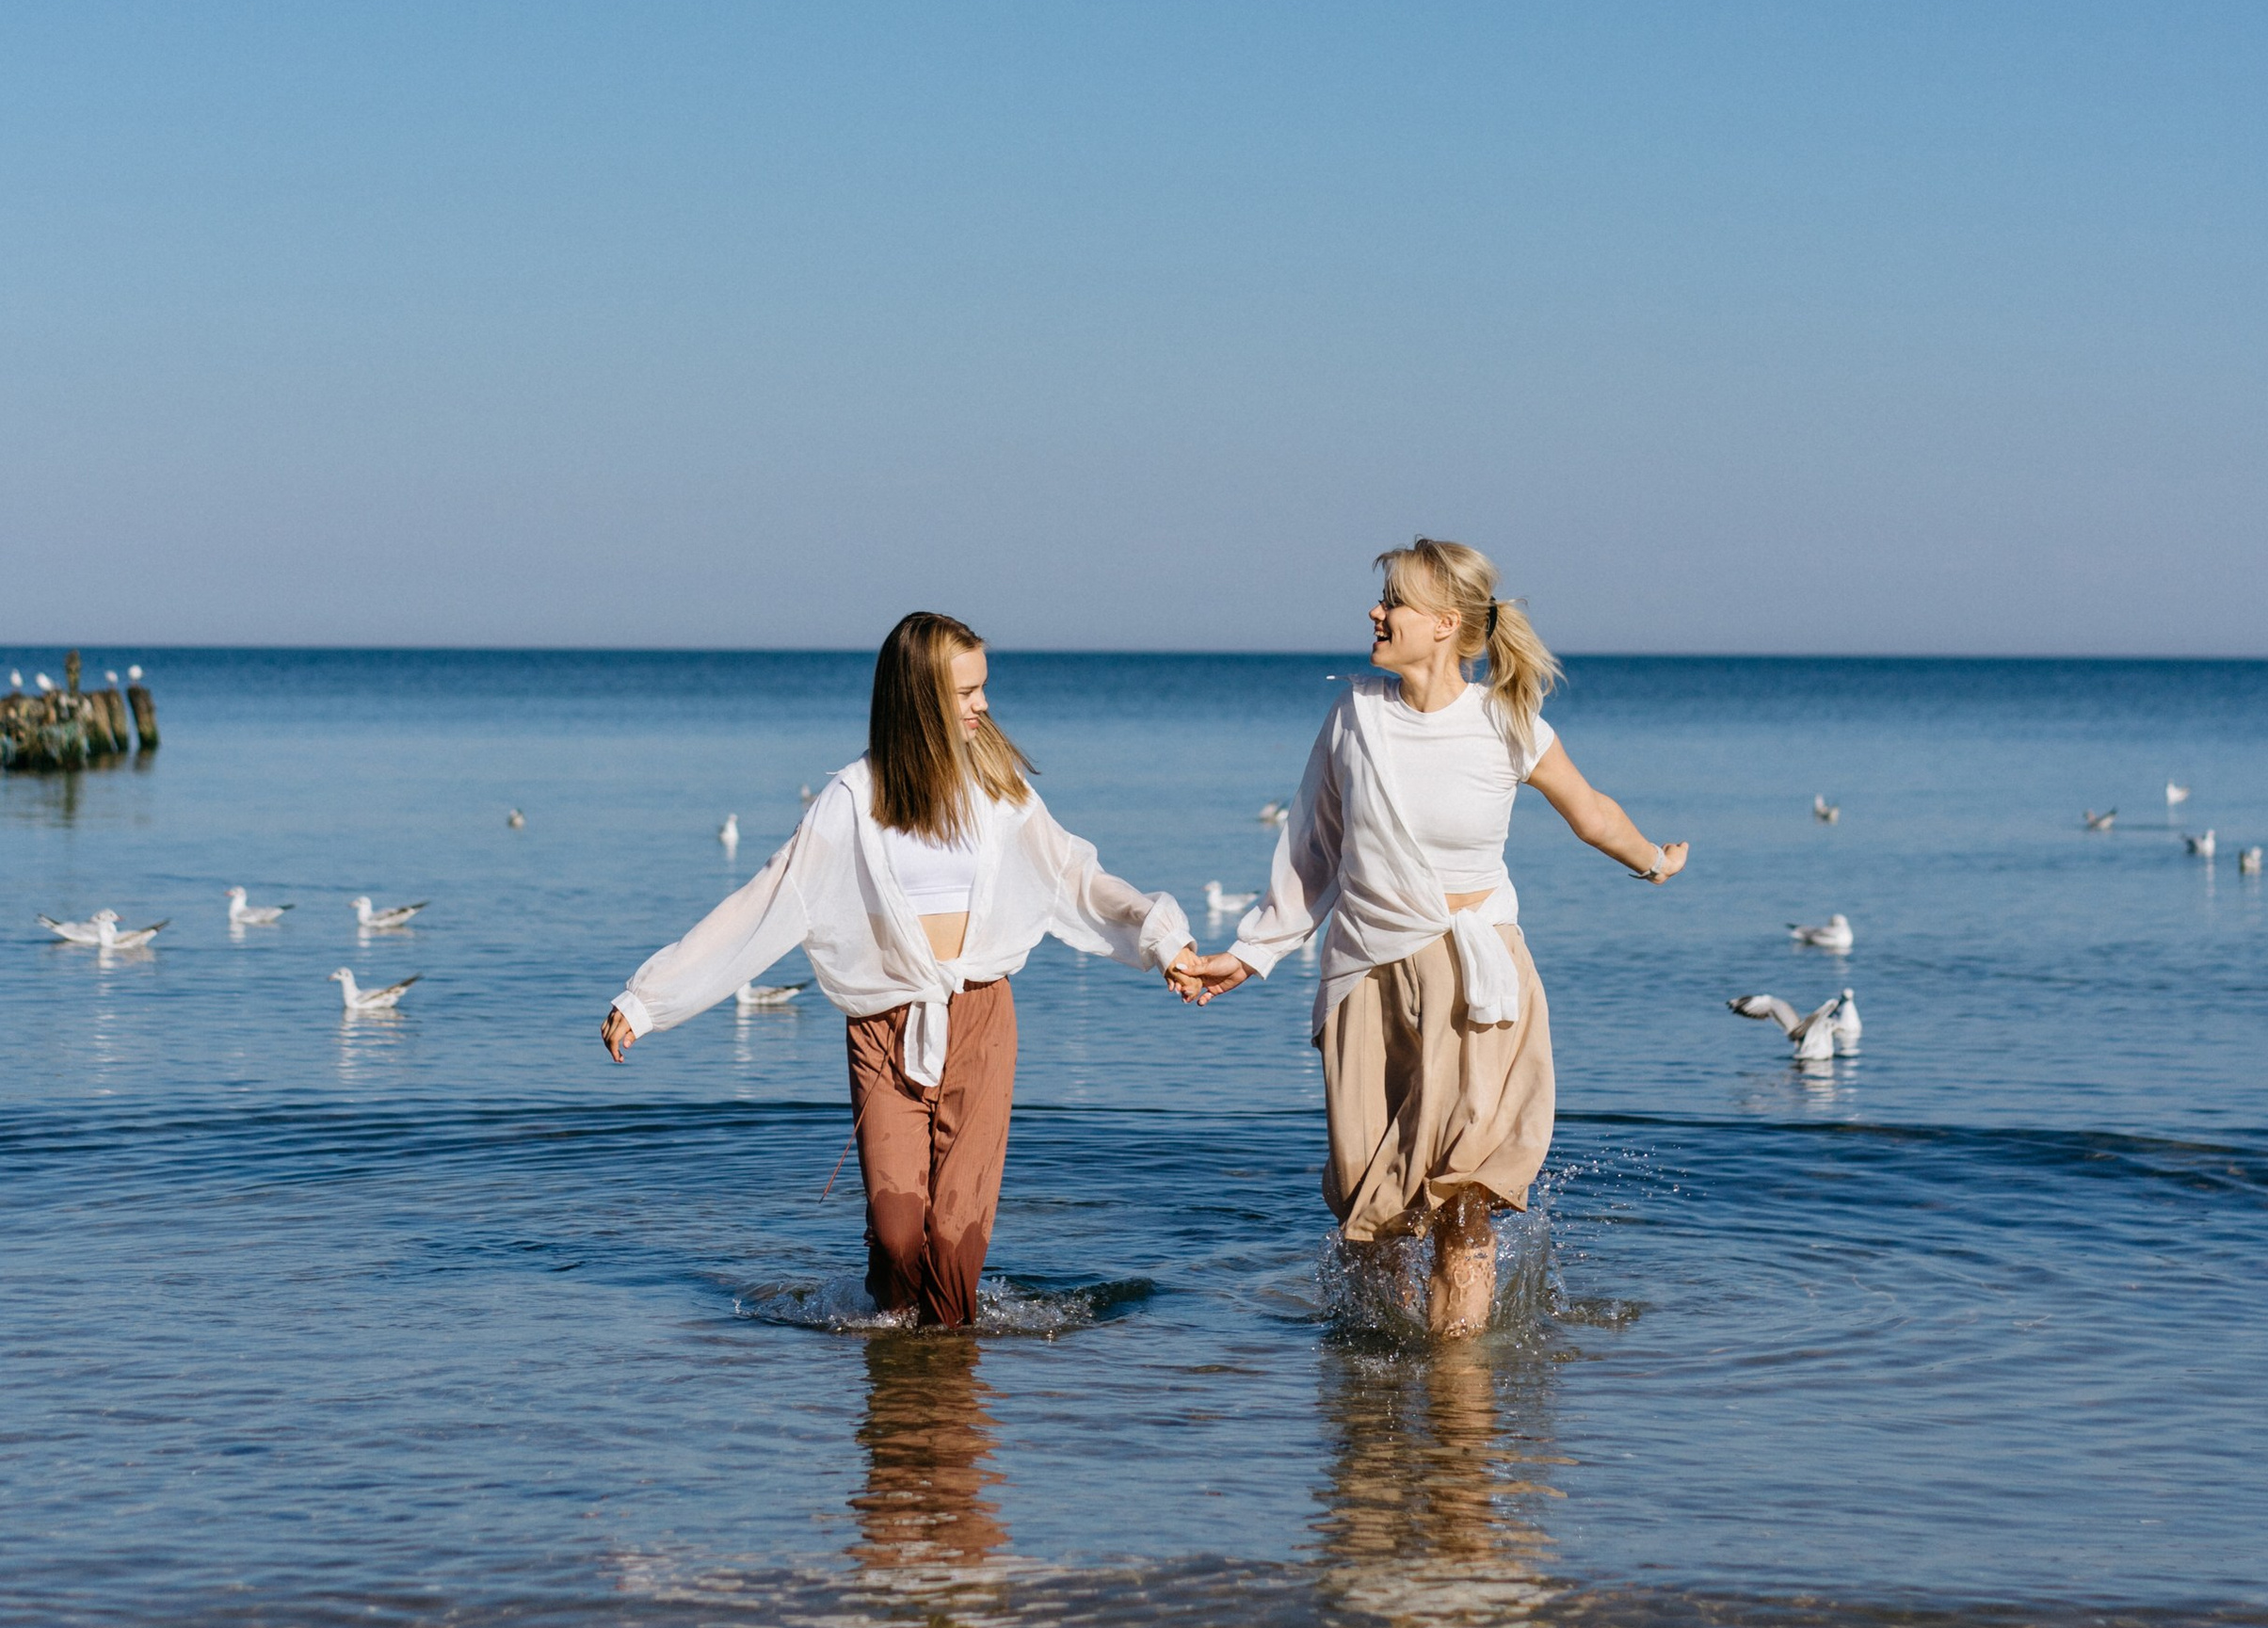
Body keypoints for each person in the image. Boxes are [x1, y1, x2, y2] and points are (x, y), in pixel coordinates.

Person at [602, 611, 1203, 1328]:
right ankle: (894, 1401)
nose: (984, 704)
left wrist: (1164, 941)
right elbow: (765, 903)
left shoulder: (999, 787)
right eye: (966, 691)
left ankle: (947, 1404)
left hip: (980, 1017)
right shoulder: (852, 802)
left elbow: (1076, 877)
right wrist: (649, 999)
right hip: (885, 1025)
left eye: (984, 687)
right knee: (896, 1239)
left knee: (953, 1247)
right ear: (919, 698)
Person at [1181, 540, 1689, 1335]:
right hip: (1366, 976)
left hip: (1474, 984)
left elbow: (1591, 813)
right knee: (1366, 1206)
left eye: (1394, 601)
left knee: (1462, 1205)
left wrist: (1655, 860)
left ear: (1446, 624)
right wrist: (1251, 953)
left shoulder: (1506, 723)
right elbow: (1313, 851)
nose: (1375, 613)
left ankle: (1458, 1407)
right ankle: (1376, 1405)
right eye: (1381, 599)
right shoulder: (1353, 715)